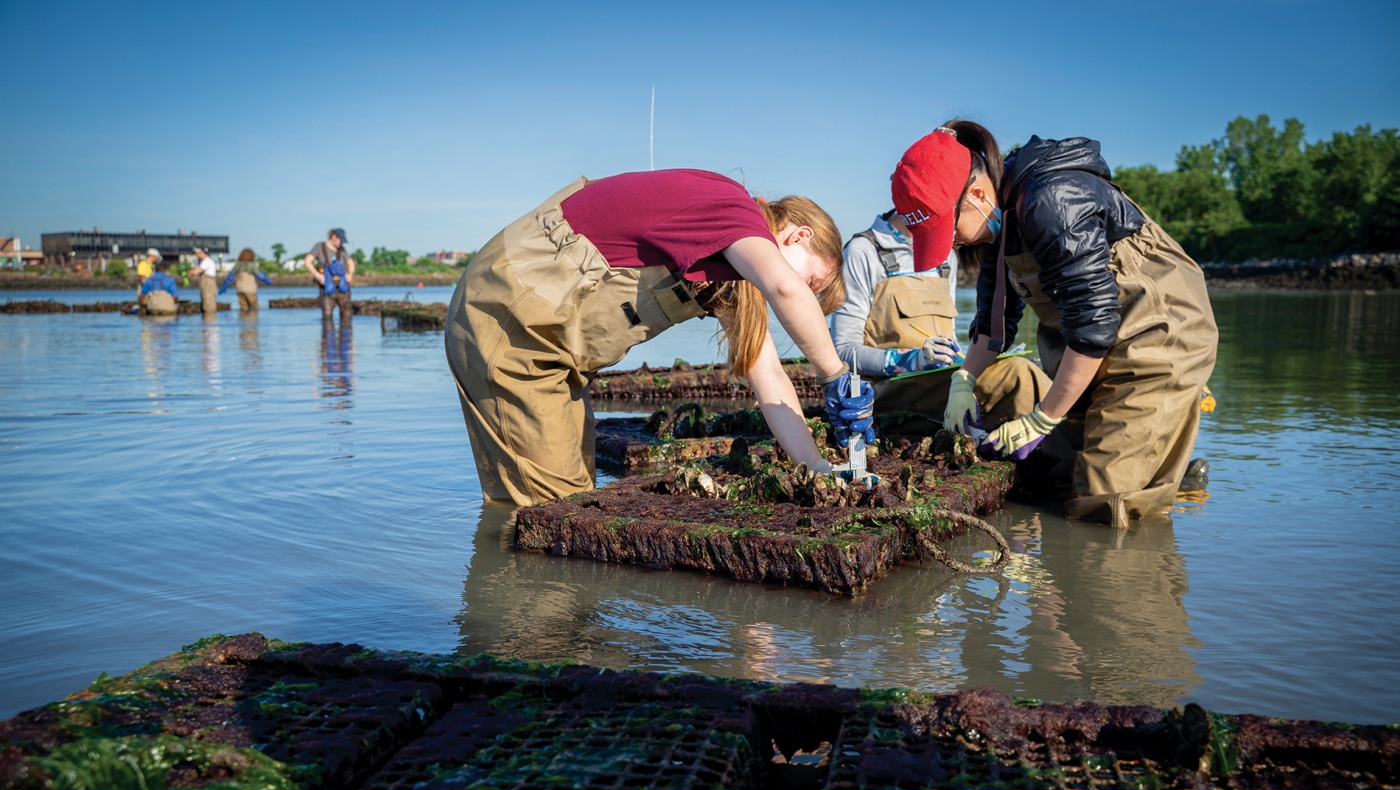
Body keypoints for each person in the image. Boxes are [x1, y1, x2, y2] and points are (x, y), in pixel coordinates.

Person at [444, 169, 874, 507]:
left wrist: (816, 465)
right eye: (813, 282)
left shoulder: (731, 275)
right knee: (556, 505)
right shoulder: (731, 209)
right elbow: (785, 288)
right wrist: (834, 374)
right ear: (799, 235)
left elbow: (769, 377)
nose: (804, 296)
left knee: (555, 487)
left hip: (551, 352)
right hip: (512, 323)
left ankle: (508, 595)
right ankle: (538, 619)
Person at [892, 121, 1217, 527]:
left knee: (1101, 501)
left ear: (976, 195)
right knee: (1048, 475)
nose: (954, 245)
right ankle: (1165, 470)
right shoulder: (997, 222)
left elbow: (1093, 328)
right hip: (1089, 347)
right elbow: (994, 325)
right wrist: (964, 382)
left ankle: (1158, 485)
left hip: (1156, 338)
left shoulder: (1053, 201)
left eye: (950, 232)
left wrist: (1042, 418)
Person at [829, 208, 1050, 431]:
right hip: (884, 391)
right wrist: (913, 360)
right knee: (1018, 372)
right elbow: (844, 351)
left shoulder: (946, 255)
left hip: (940, 383)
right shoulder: (863, 251)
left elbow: (950, 335)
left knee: (1022, 367)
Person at [304, 228, 355, 324]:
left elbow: (350, 263)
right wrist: (318, 276)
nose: (341, 244)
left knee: (347, 314)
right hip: (326, 285)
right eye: (341, 240)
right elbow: (307, 262)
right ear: (334, 237)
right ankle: (327, 337)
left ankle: (346, 337)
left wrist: (350, 274)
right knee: (327, 315)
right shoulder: (319, 247)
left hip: (342, 286)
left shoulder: (342, 250)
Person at [219, 248, 274, 312]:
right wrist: (268, 281)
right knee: (254, 308)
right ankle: (252, 320)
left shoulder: (237, 265)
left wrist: (224, 286)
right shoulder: (251, 265)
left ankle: (243, 320)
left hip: (240, 290)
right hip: (250, 290)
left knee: (243, 308)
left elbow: (230, 277)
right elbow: (260, 276)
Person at [190, 245, 220, 314]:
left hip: (208, 284)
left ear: (202, 252)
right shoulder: (203, 262)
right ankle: (207, 322)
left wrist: (189, 272)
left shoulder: (207, 261)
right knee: (206, 302)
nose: (195, 255)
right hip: (206, 284)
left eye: (196, 253)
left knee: (208, 304)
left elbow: (196, 272)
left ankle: (209, 322)